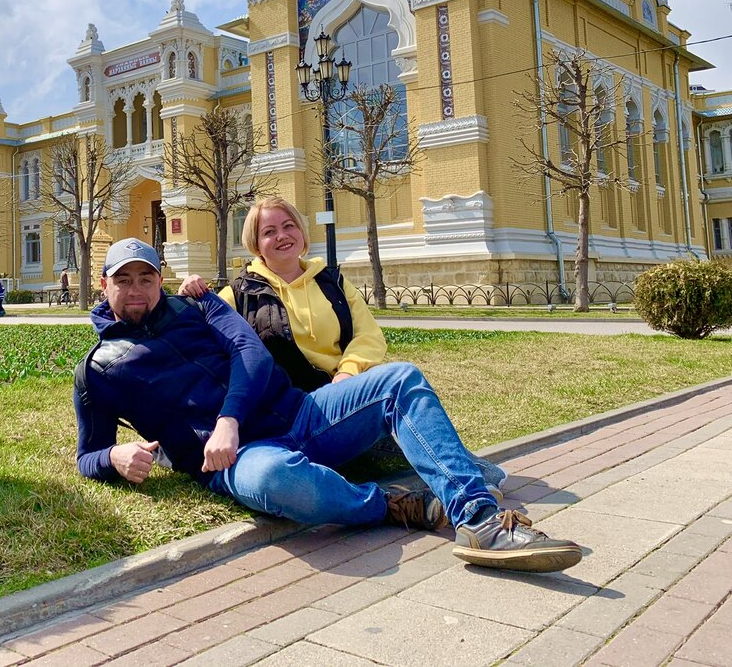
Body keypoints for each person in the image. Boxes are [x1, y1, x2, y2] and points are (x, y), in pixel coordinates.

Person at [74, 237, 583, 573]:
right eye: (123, 280)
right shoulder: (98, 371)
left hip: (302, 415)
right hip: (239, 460)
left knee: (399, 379)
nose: (137, 290)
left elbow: (249, 350)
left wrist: (228, 415)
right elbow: (87, 457)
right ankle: (395, 503)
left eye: (146, 278)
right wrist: (115, 458)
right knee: (279, 481)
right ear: (104, 284)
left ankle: (479, 521)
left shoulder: (200, 307)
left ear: (160, 278)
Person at [178, 196, 505, 493]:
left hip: (345, 395)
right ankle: (465, 488)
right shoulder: (238, 294)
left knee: (481, 469)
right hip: (291, 412)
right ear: (256, 244)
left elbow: (368, 335)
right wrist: (191, 292)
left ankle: (463, 484)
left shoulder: (332, 282)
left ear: (302, 234)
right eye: (270, 231)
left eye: (289, 226)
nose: (282, 236)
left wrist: (348, 373)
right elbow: (198, 338)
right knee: (418, 431)